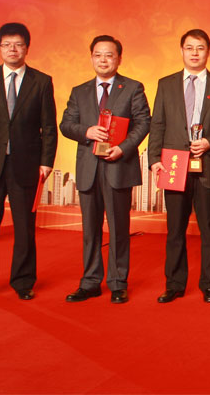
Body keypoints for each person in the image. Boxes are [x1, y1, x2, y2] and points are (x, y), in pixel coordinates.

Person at [0, 23, 57, 301]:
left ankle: (23, 281)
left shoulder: (41, 81)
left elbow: (48, 126)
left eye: (18, 44)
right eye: (7, 45)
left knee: (24, 227)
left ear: (26, 48)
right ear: (0, 48)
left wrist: (46, 162)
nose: (12, 49)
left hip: (26, 164)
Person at [59, 35, 151, 304]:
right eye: (98, 55)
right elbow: (66, 125)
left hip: (118, 165)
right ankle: (90, 282)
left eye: (109, 55)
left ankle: (118, 282)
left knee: (119, 228)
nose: (103, 60)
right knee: (90, 230)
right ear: (91, 58)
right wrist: (86, 132)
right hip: (88, 168)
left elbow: (144, 122)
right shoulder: (79, 91)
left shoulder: (132, 88)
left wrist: (123, 148)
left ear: (118, 59)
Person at [148, 29, 210, 304]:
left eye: (200, 48)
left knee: (209, 229)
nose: (194, 53)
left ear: (209, 51)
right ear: (182, 51)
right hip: (174, 165)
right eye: (189, 47)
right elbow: (158, 122)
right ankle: (174, 284)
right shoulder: (166, 84)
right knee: (175, 229)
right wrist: (154, 159)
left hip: (208, 164)